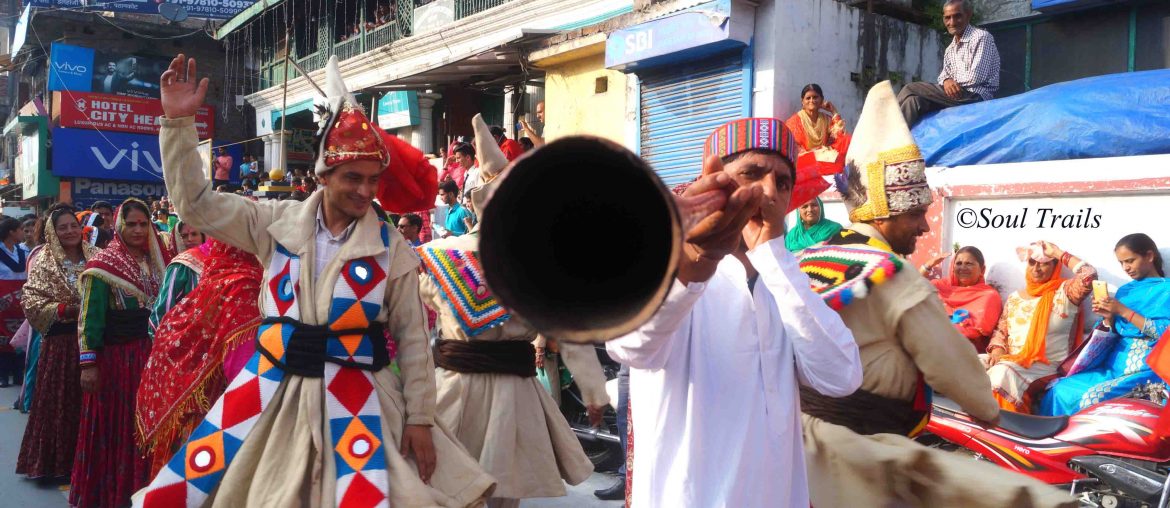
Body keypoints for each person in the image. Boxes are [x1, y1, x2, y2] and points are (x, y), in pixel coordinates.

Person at [137, 54, 493, 507]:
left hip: (364, 394)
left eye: (372, 180)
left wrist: (420, 418)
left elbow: (413, 341)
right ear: (323, 176)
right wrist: (179, 125)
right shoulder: (272, 222)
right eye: (352, 178)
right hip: (276, 392)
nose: (365, 191)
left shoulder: (392, 248)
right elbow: (195, 205)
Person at [798, 81, 1074, 508]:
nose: (925, 227)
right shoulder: (893, 275)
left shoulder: (813, 256)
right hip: (857, 459)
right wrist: (987, 409)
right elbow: (953, 368)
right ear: (884, 212)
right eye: (915, 214)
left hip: (796, 447)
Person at [607, 117, 864, 507]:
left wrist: (774, 258)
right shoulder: (666, 260)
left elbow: (842, 376)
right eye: (751, 174)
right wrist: (693, 265)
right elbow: (630, 348)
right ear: (715, 182)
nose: (769, 192)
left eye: (782, 182)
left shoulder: (786, 277)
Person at [420, 114, 610, 508]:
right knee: (506, 497)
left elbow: (414, 321)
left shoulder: (440, 256)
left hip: (454, 390)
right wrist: (593, 391)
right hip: (515, 394)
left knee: (451, 491)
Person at [73, 199, 170, 508]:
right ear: (119, 226)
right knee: (119, 427)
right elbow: (89, 318)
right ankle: (112, 495)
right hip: (118, 361)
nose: (139, 230)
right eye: (132, 224)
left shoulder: (159, 262)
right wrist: (89, 364)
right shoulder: (103, 266)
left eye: (144, 224)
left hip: (152, 359)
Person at [137, 239, 263, 476]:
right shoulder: (243, 286)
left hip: (189, 395)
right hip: (220, 406)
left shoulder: (215, 276)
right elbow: (241, 368)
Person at [1040, 234, 1170, 416]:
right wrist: (1109, 318)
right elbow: (1116, 331)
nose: (1126, 268)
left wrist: (1123, 311)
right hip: (1113, 364)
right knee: (1059, 390)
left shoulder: (1167, 290)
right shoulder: (1126, 290)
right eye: (1121, 263)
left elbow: (1165, 333)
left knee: (1090, 399)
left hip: (1145, 369)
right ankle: (1054, 442)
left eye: (1130, 261)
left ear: (1149, 256)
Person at [16, 205, 95, 481]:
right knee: (61, 403)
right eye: (63, 227)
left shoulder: (96, 257)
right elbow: (32, 301)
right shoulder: (46, 261)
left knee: (92, 405)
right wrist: (66, 310)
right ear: (53, 231)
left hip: (95, 342)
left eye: (73, 225)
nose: (70, 231)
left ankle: (91, 464)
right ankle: (57, 465)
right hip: (62, 344)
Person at [980, 242, 1095, 412]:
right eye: (1032, 262)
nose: (1036, 269)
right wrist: (997, 350)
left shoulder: (1066, 293)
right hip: (1012, 359)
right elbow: (1001, 330)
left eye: (1044, 263)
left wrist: (1057, 252)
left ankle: (1008, 431)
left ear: (1055, 266)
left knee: (1003, 374)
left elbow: (1089, 276)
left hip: (1047, 366)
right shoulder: (1014, 298)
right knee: (971, 363)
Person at [897, 0, 1000, 126]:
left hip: (975, 97)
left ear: (968, 15)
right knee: (913, 101)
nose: (952, 22)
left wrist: (950, 83)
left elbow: (976, 77)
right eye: (947, 18)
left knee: (910, 88)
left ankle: (884, 122)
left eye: (957, 16)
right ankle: (892, 142)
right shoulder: (950, 49)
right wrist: (947, 81)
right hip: (955, 97)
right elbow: (943, 76)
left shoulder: (981, 37)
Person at [921, 246, 1005, 353]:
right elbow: (911, 290)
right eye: (959, 263)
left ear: (982, 270)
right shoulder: (938, 286)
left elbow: (973, 332)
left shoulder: (989, 296)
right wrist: (929, 265)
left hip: (964, 352)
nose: (963, 268)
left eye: (969, 263)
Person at [784, 84, 851, 169]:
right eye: (808, 98)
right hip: (805, 160)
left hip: (825, 156)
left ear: (822, 100)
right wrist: (816, 153)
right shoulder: (794, 121)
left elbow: (840, 135)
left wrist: (834, 111)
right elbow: (794, 148)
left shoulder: (826, 119)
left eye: (815, 97)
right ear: (802, 101)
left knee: (847, 139)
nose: (811, 100)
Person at [0, 217, 29, 388]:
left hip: (20, 297)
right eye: (20, 229)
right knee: (3, 337)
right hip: (3, 299)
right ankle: (3, 375)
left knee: (21, 335)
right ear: (11, 232)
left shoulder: (23, 251)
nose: (23, 233)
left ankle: (19, 374)